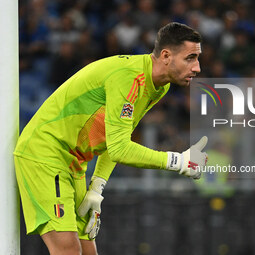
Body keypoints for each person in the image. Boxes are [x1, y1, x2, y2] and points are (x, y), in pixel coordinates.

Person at [14, 22, 208, 255]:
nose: (197, 67)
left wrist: (97, 187)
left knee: (88, 251)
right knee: (67, 250)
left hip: (74, 162)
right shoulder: (129, 78)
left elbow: (115, 137)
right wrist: (177, 161)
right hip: (45, 153)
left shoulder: (159, 86)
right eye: (190, 58)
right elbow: (119, 149)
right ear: (166, 56)